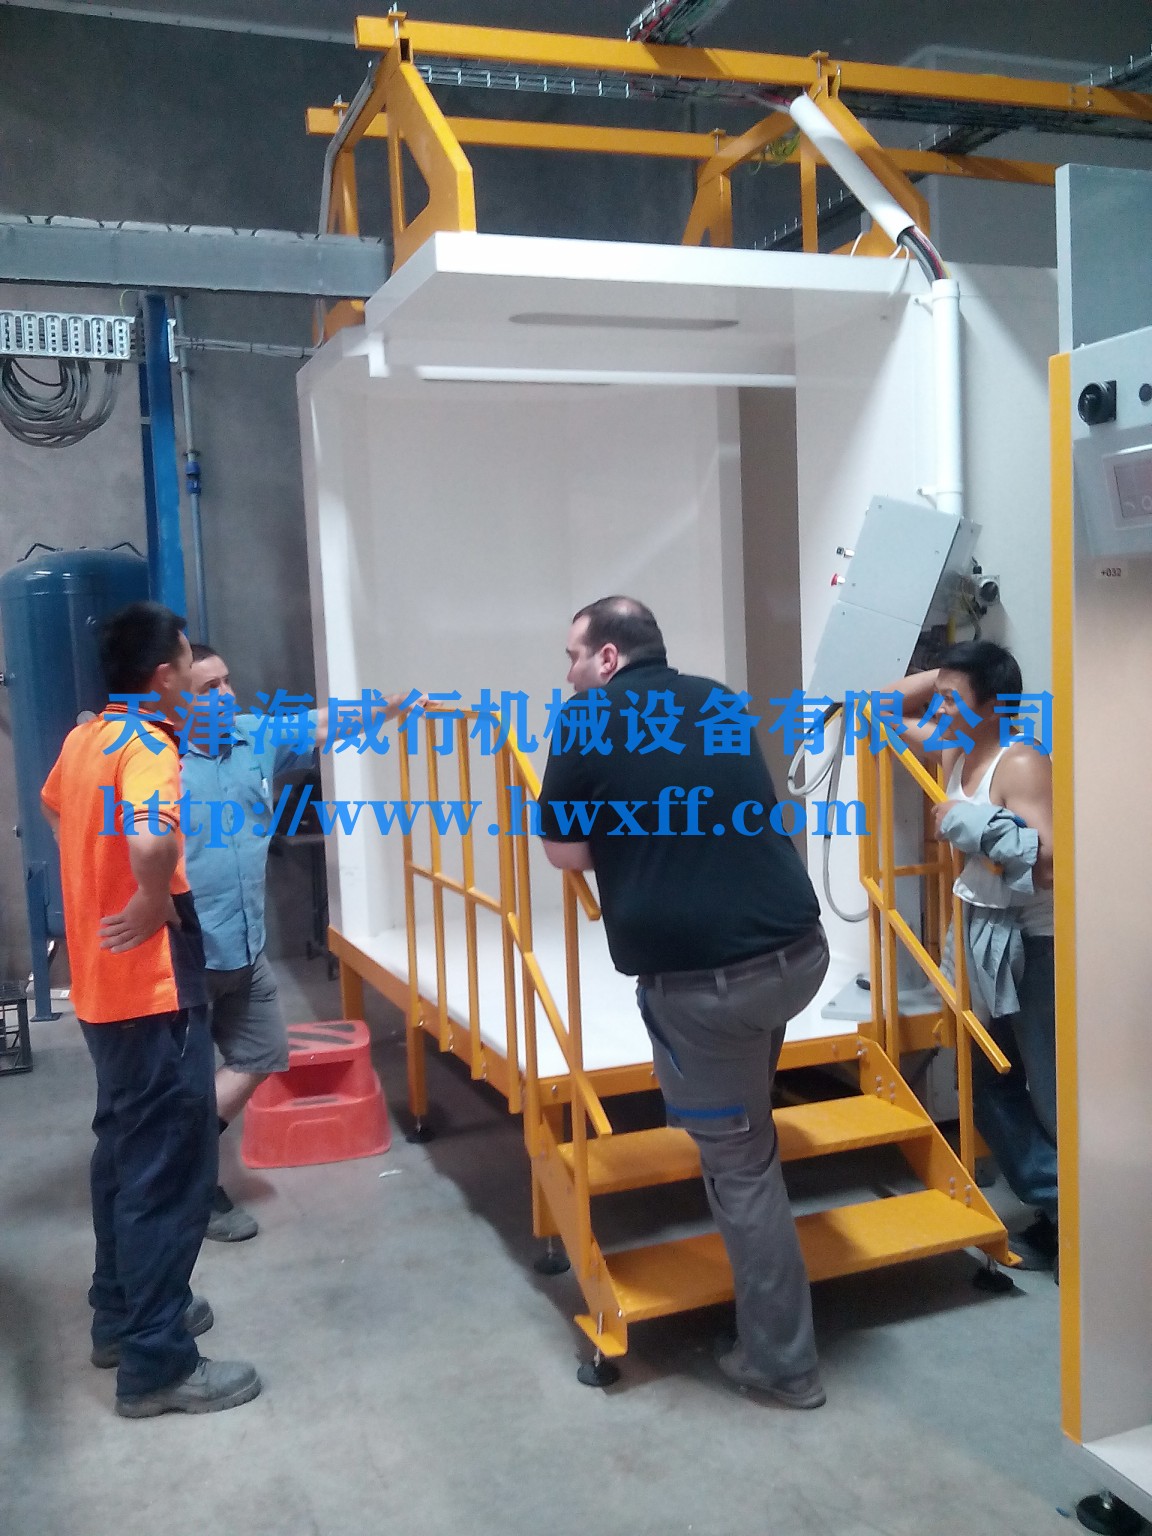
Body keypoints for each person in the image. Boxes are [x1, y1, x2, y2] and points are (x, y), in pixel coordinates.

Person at [537, 596, 830, 1408]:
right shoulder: (720, 700)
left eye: (573, 656)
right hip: (799, 957)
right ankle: (746, 1129)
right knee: (746, 1122)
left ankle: (783, 1364)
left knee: (741, 1169)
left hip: (707, 989)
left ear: (607, 657)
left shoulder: (584, 722)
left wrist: (627, 835)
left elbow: (564, 850)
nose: (568, 674)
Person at [40, 602, 260, 1417]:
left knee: (123, 1150)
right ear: (164, 676)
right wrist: (148, 895)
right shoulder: (147, 746)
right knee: (168, 1170)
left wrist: (99, 882)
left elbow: (56, 807)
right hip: (152, 987)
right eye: (189, 663)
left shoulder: (85, 739)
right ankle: (158, 1363)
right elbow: (149, 839)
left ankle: (121, 1314)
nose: (199, 678)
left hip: (101, 984)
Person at [182, 644, 412, 1240]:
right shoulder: (157, 760)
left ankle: (179, 1153)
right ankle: (191, 1190)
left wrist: (390, 706)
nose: (226, 695)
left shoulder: (252, 737)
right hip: (182, 956)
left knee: (263, 1053)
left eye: (226, 681)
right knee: (176, 1082)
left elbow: (322, 723)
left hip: (246, 946)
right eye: (208, 688)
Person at [890, 641, 1057, 1272]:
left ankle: (1083, 1222)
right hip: (980, 933)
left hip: (1033, 941)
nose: (939, 708)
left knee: (1048, 1084)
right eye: (939, 699)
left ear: (993, 705)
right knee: (985, 1080)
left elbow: (1049, 862)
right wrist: (951, 672)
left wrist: (971, 824)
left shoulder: (1020, 763)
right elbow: (878, 708)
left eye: (953, 699)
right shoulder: (953, 747)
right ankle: (1060, 1205)